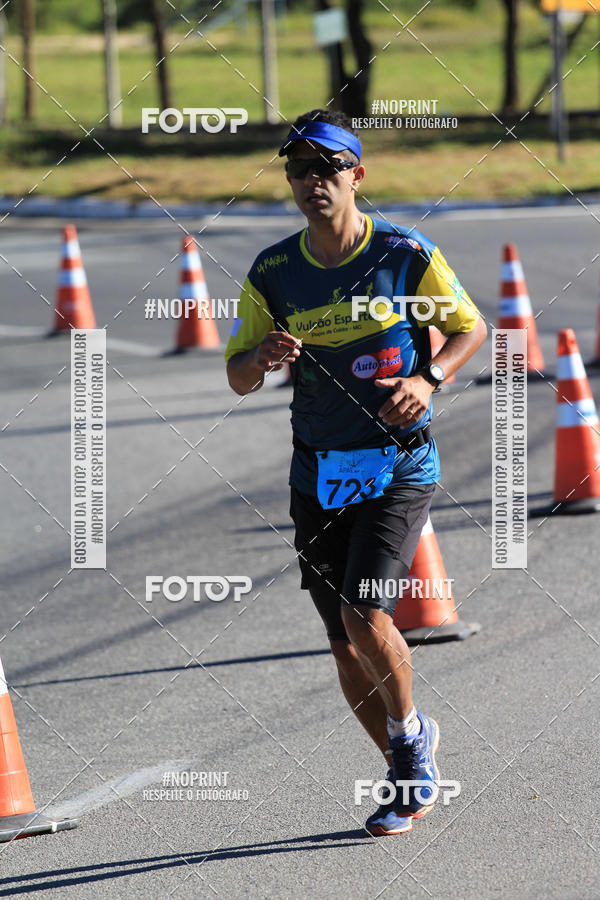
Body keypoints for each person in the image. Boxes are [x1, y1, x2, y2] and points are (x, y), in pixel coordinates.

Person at [225, 109, 487, 836]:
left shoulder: (404, 253)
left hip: (400, 464)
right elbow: (237, 377)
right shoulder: (274, 272)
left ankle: (409, 742)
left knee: (362, 612)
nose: (314, 180)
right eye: (300, 168)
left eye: (329, 167)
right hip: (318, 472)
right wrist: (261, 358)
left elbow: (472, 327)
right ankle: (406, 769)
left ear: (357, 175)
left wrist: (430, 378)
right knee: (343, 645)